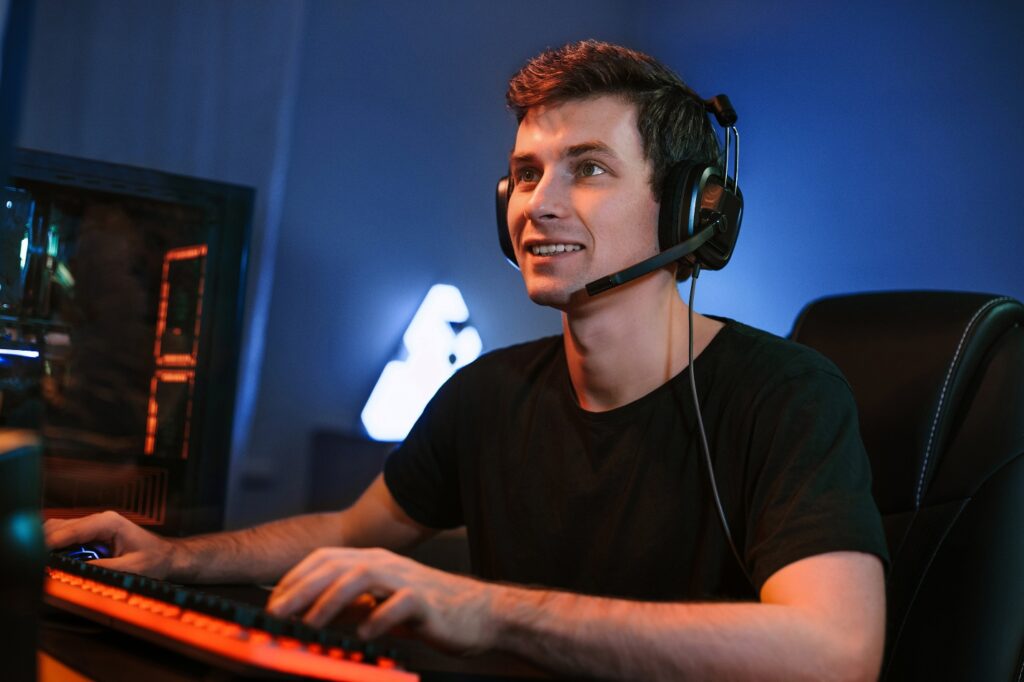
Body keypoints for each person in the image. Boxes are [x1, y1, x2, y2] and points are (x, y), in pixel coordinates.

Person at [45, 40, 888, 680]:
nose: (541, 204)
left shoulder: (786, 395)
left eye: (587, 169)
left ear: (688, 212)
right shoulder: (486, 393)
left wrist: (489, 613)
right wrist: (169, 557)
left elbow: (836, 650)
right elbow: (347, 530)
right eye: (526, 175)